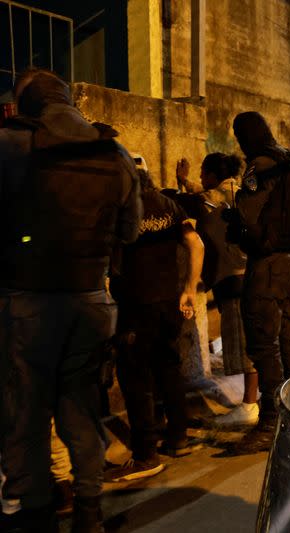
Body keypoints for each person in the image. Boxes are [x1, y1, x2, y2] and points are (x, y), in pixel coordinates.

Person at [0, 68, 142, 533]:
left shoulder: (11, 144)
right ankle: (89, 513)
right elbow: (129, 231)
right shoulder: (114, 152)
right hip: (92, 302)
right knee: (81, 409)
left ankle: (38, 515)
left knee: (27, 413)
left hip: (28, 305)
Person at [106, 167, 205, 482]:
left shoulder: (121, 209)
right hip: (169, 302)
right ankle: (179, 437)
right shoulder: (168, 205)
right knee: (168, 367)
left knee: (135, 378)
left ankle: (145, 454)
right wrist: (189, 288)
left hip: (136, 306)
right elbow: (196, 244)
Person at [227, 111, 290, 454]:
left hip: (268, 263)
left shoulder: (261, 166)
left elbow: (248, 213)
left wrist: (232, 214)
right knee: (286, 336)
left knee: (263, 342)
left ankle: (270, 421)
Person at [176, 153, 260, 427]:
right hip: (253, 275)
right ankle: (261, 401)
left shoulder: (211, 199)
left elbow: (193, 201)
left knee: (245, 348)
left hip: (232, 280)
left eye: (203, 172)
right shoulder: (241, 191)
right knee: (257, 342)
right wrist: (185, 181)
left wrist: (178, 189)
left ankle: (250, 405)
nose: (200, 178)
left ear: (212, 174)